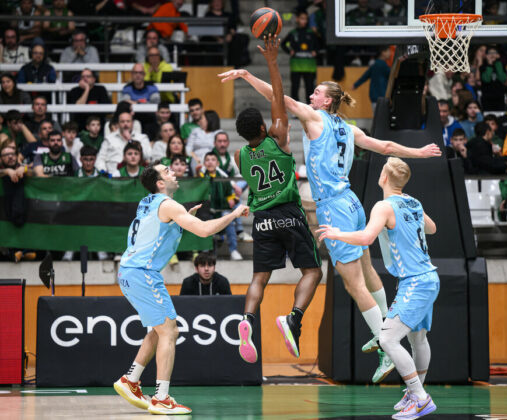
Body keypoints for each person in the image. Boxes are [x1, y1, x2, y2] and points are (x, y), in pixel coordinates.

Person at [220, 56, 441, 383]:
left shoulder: (315, 118)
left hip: (333, 207)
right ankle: (383, 329)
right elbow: (386, 145)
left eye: (316, 93)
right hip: (352, 201)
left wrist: (246, 74)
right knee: (367, 271)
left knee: (353, 284)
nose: (311, 96)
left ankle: (384, 343)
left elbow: (278, 98)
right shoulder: (348, 129)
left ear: (328, 100)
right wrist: (420, 152)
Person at [113, 163, 249, 415]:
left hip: (128, 271)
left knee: (157, 329)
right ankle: (161, 397)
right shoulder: (169, 205)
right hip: (143, 274)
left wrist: (182, 219)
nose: (173, 171)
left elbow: (158, 231)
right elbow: (205, 231)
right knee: (170, 331)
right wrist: (234, 214)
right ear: (160, 183)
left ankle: (130, 380)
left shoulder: (148, 203)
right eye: (167, 171)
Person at [317, 157, 439, 418]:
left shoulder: (383, 206)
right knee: (418, 338)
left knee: (386, 338)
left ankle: (419, 396)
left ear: (384, 177)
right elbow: (432, 228)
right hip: (428, 277)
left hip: (415, 281)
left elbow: (366, 238)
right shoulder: (413, 201)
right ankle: (415, 393)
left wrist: (336, 233)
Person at [232, 36, 322, 364]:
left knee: (260, 278)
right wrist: (272, 60)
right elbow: (279, 98)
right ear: (263, 126)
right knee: (313, 272)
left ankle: (247, 320)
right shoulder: (279, 136)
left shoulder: (242, 155)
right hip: (288, 212)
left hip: (262, 220)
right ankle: (293, 318)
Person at [281, 10, 319, 103]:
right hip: (296, 64)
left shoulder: (312, 32)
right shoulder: (293, 32)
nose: (304, 21)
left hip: (310, 65)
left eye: (306, 19)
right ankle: (295, 109)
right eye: (302, 18)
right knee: (295, 87)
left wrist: (315, 51)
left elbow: (320, 44)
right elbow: (283, 44)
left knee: (310, 87)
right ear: (297, 19)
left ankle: (310, 107)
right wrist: (290, 51)